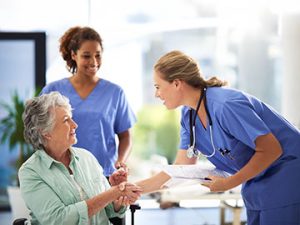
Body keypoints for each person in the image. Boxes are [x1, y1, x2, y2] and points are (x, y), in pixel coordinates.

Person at [152, 50, 300, 225]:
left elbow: (271, 149)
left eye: (158, 86)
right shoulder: (188, 116)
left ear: (176, 83)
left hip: (287, 177)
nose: (156, 94)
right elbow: (182, 167)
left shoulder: (225, 105)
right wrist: (131, 189)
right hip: (256, 185)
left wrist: (229, 182)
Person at [40, 26, 136, 225]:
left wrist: (120, 161)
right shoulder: (53, 90)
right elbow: (42, 131)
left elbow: (125, 135)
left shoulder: (114, 92)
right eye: (86, 56)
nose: (94, 62)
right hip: (66, 179)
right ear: (73, 55)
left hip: (106, 179)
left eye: (98, 55)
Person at [19, 92, 142, 225]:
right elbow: (59, 220)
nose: (75, 125)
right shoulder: (30, 172)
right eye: (66, 120)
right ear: (46, 132)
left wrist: (117, 195)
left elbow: (110, 210)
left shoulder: (86, 157)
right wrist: (112, 193)